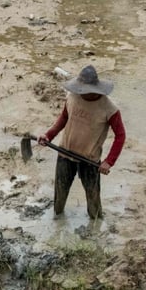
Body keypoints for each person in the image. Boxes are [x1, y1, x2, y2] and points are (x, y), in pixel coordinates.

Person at [38, 65, 125, 220]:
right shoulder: (72, 97)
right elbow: (63, 119)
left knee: (93, 200)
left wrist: (109, 162)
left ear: (95, 89)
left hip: (89, 160)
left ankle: (96, 226)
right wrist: (48, 135)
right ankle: (58, 219)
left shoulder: (109, 109)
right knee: (60, 194)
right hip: (65, 153)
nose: (82, 92)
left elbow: (120, 136)